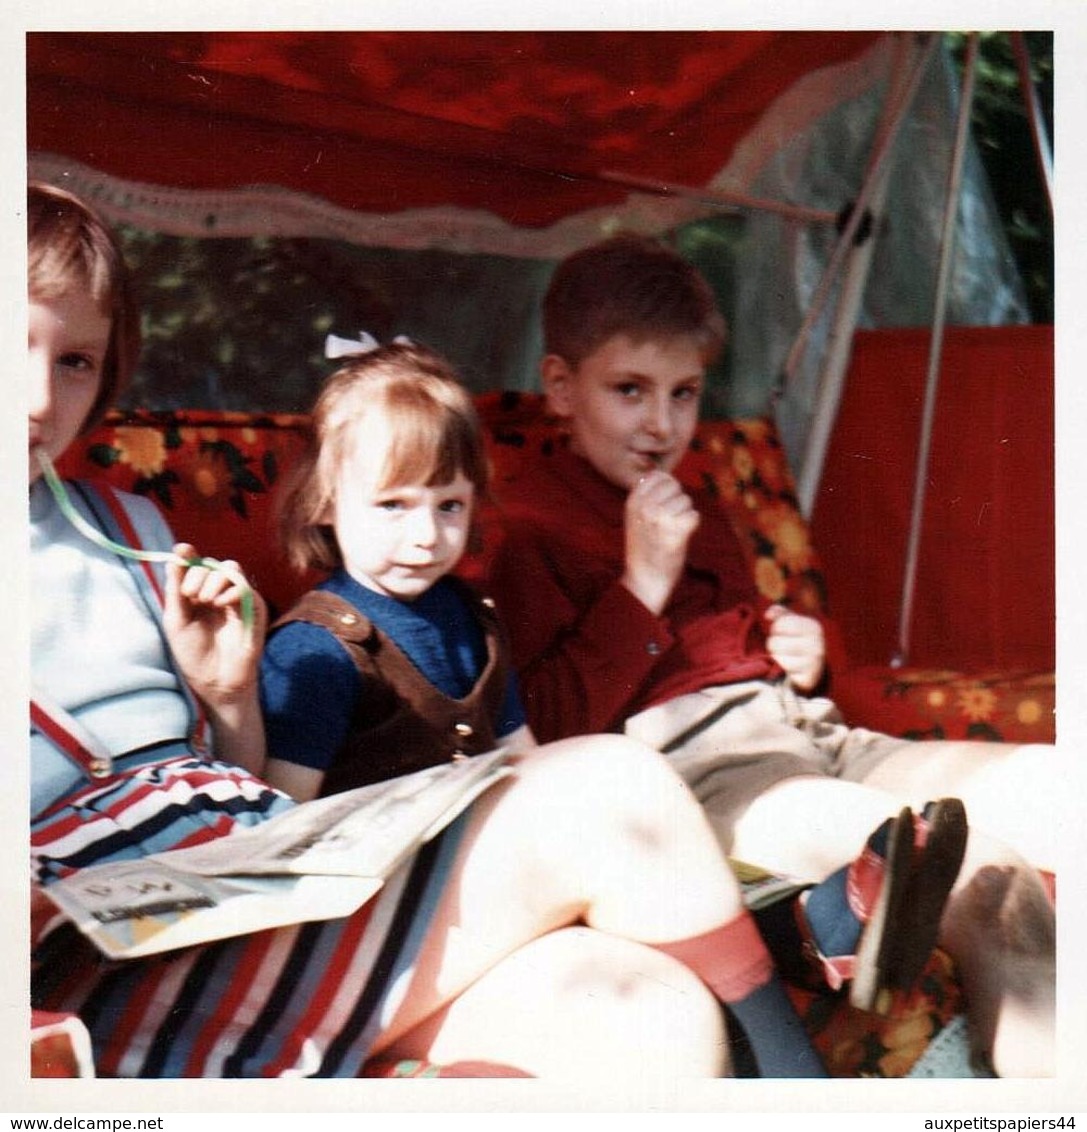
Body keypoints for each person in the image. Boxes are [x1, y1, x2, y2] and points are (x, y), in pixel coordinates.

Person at [29, 180, 830, 1082]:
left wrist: (222, 696)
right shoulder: (328, 635)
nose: (37, 399)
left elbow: (244, 780)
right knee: (611, 790)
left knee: (647, 1011)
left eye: (76, 363)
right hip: (105, 945)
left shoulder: (130, 527)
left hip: (236, 871)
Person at [258, 341, 969, 1043]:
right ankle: (797, 941)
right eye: (391, 505)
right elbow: (283, 825)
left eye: (448, 506)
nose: (425, 536)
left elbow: (529, 760)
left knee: (642, 864)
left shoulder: (471, 619)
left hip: (500, 861)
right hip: (404, 896)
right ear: (323, 502)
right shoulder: (317, 651)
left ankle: (802, 928)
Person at [483, 234, 1058, 1077]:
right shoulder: (525, 528)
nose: (662, 423)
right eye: (629, 391)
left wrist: (800, 648)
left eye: (683, 394)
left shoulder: (699, 504)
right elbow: (552, 729)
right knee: (984, 876)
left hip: (817, 737)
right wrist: (640, 584)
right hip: (700, 779)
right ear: (560, 387)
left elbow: (736, 641)